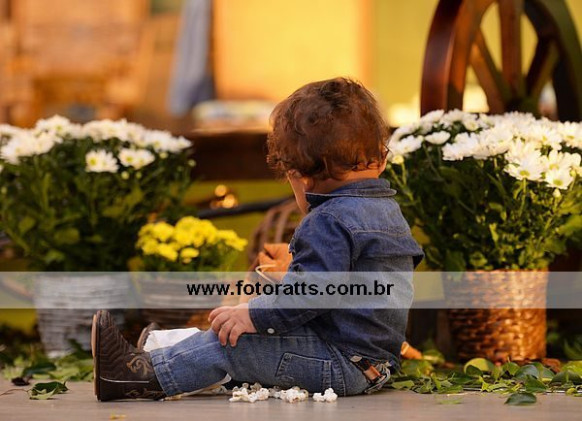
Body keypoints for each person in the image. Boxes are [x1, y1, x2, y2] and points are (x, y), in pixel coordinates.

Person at [92, 77, 424, 401]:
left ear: (302, 176)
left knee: (233, 345)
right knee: (249, 335)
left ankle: (133, 374)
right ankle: (161, 350)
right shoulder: (388, 212)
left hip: (340, 363)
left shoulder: (329, 219)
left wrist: (254, 314)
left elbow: (309, 295)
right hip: (370, 363)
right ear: (381, 158)